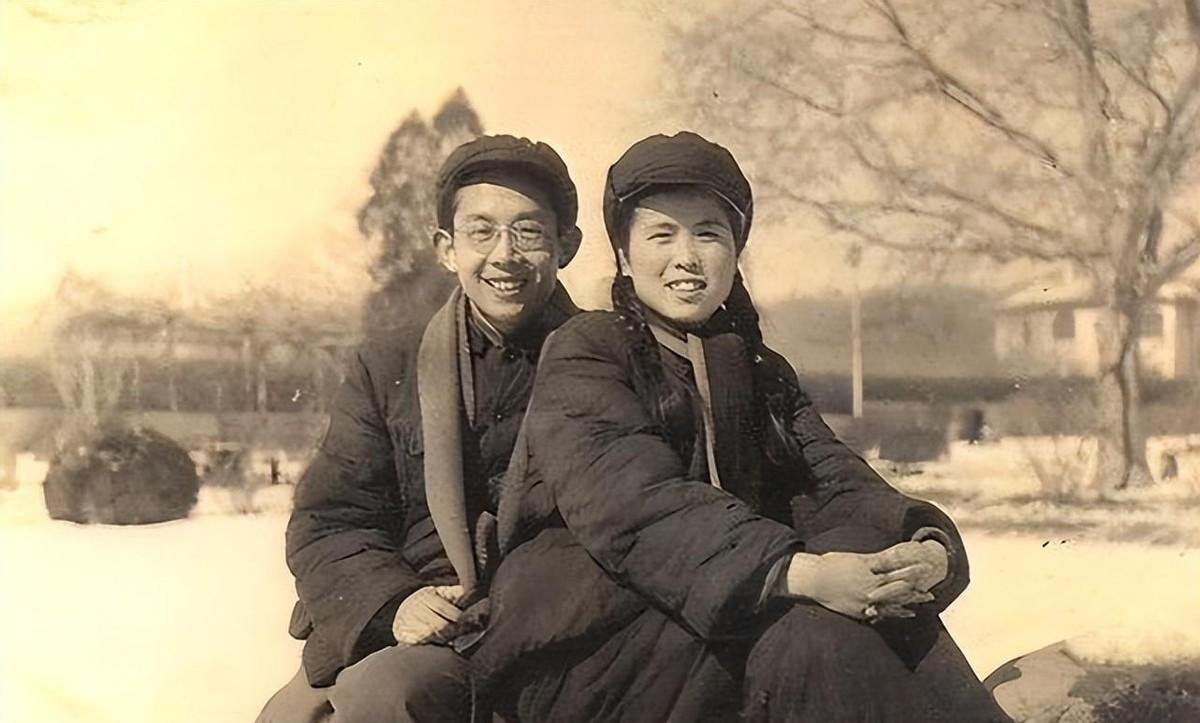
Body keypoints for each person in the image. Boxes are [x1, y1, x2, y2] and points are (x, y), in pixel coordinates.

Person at [470, 132, 1010, 722]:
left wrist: (923, 546)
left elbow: (833, 482)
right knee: (816, 633)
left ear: (735, 250)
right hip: (591, 643)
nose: (686, 258)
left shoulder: (756, 369)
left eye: (708, 233)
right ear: (623, 255)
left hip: (719, 617)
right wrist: (802, 574)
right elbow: (636, 507)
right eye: (661, 235)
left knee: (869, 598)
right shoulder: (588, 351)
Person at [256, 134, 583, 723]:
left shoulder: (601, 363)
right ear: (446, 248)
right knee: (286, 717)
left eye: (528, 232)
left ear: (566, 245)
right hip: (399, 608)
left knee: (383, 697)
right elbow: (329, 519)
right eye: (481, 232)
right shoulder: (390, 364)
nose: (504, 255)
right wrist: (394, 603)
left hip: (533, 627)